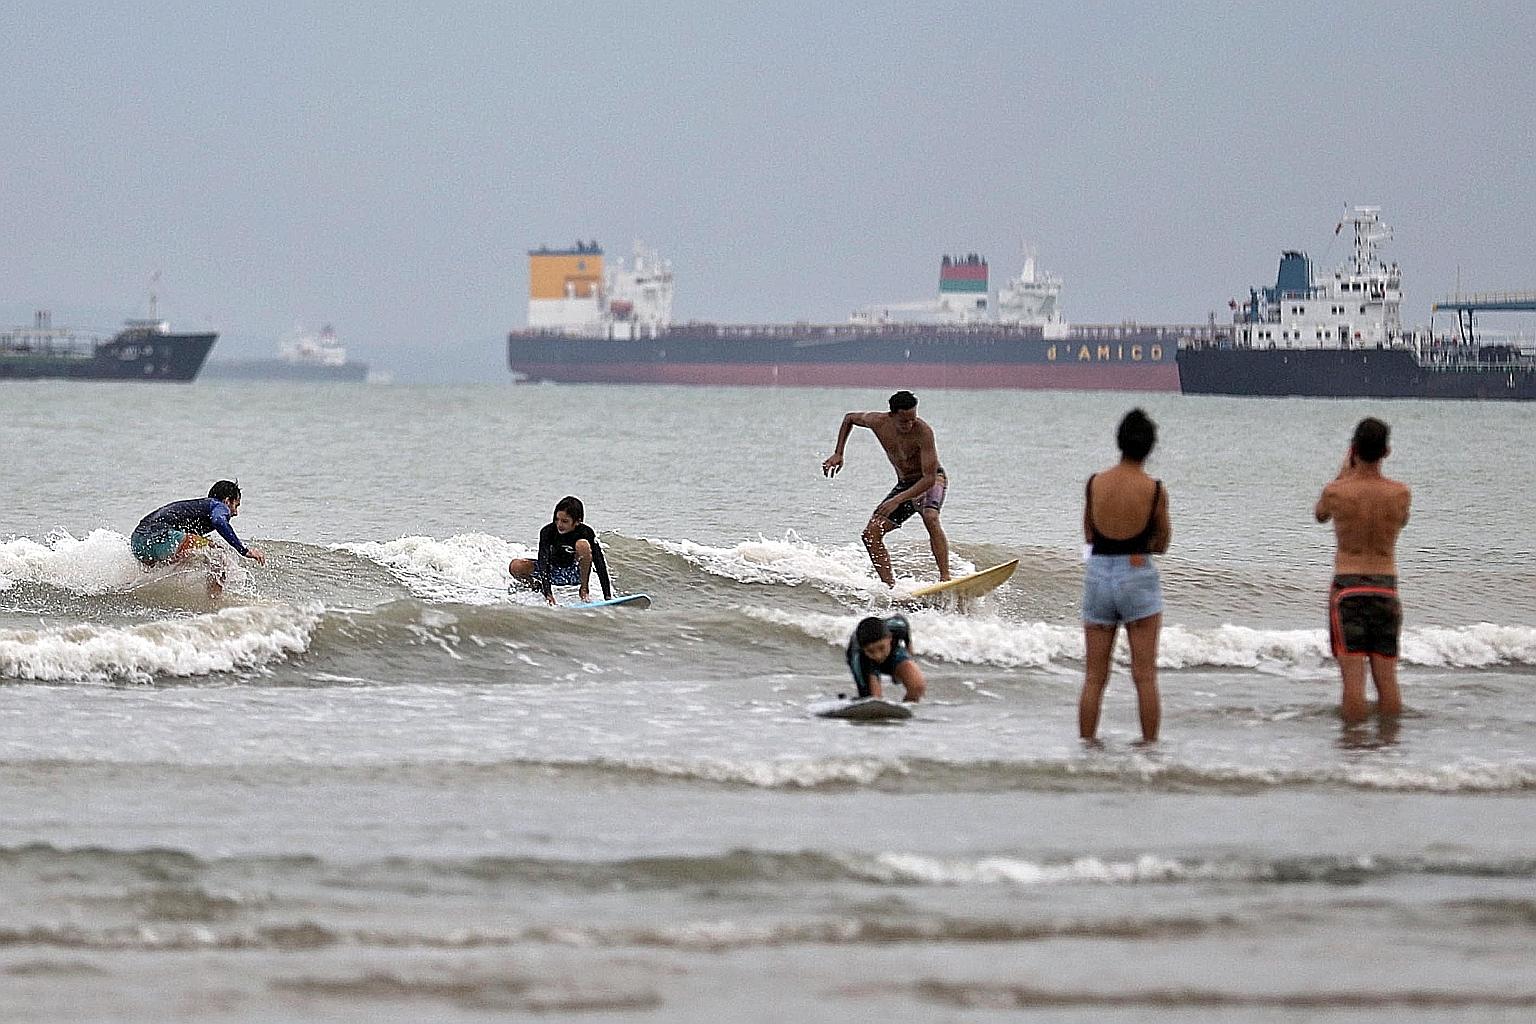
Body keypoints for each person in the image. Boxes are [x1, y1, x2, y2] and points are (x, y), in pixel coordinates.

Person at [1078, 409, 1170, 744]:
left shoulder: (1095, 483)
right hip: (1137, 574)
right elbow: (1162, 543)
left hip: (1099, 574)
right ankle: (1149, 752)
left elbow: (1089, 535)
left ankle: (1087, 748)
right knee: (1145, 677)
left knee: (1093, 678)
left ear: (1119, 441)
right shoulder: (1155, 489)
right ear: (1150, 447)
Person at [1314, 417, 1411, 725]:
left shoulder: (1336, 491)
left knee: (1353, 683)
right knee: (1388, 680)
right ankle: (1388, 748)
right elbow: (1401, 521)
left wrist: (1345, 471)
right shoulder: (1400, 494)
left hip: (1348, 586)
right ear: (1387, 451)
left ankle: (1354, 754)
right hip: (1386, 586)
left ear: (1354, 449)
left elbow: (1320, 515)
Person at [821, 390, 950, 586]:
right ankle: (890, 587)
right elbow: (849, 418)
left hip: (930, 481)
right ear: (892, 415)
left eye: (912, 419)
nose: (909, 425)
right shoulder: (877, 421)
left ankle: (945, 578)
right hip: (905, 484)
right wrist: (838, 453)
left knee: (930, 516)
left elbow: (929, 478)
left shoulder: (923, 432)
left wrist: (897, 500)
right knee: (870, 534)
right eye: (904, 421)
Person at [130, 480, 266, 596]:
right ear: (227, 501)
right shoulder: (218, 505)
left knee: (182, 559)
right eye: (236, 505)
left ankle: (130, 589)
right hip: (163, 537)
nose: (235, 513)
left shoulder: (198, 507)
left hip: (138, 542)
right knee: (217, 554)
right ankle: (215, 605)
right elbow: (218, 521)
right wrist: (244, 551)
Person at [508, 495, 613, 606]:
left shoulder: (586, 532)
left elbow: (599, 563)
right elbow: (543, 562)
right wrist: (548, 593)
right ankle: (536, 587)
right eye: (557, 519)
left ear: (577, 521)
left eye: (565, 521)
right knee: (515, 566)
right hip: (553, 571)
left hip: (575, 573)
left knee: (583, 545)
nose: (559, 524)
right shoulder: (548, 531)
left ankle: (584, 590)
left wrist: (608, 596)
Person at [845, 614, 925, 702]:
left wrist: (909, 657)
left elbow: (905, 626)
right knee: (874, 701)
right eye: (871, 651)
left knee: (917, 687)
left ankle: (905, 710)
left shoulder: (898, 626)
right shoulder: (857, 658)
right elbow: (867, 699)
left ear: (890, 638)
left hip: (893, 653)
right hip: (867, 662)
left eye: (881, 648)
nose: (878, 656)